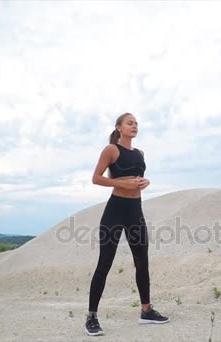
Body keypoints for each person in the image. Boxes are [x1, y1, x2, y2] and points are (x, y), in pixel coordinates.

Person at [85, 112, 170, 336]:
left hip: (135, 211)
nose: (134, 126)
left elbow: (138, 179)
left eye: (136, 124)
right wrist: (121, 183)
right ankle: (92, 317)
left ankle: (146, 311)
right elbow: (96, 178)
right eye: (130, 123)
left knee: (142, 262)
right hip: (115, 211)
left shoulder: (140, 154)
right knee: (105, 263)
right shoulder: (111, 150)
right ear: (119, 127)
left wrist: (145, 181)